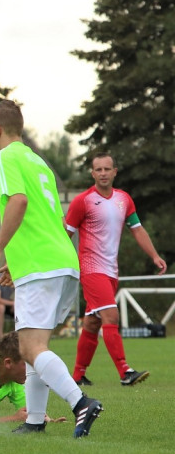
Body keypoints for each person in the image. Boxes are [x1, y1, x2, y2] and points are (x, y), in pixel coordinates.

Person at [0, 99, 101, 437]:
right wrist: (13, 259)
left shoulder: (3, 157)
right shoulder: (38, 161)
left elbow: (18, 201)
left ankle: (81, 403)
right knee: (33, 346)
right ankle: (35, 421)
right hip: (61, 260)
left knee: (30, 347)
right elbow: (48, 220)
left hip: (41, 265)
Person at [65, 151, 167, 387]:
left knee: (92, 322)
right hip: (91, 269)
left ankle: (78, 376)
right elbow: (65, 235)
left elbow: (137, 229)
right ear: (92, 173)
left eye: (106, 169)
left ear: (114, 172)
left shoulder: (124, 199)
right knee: (111, 315)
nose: (103, 173)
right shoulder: (83, 201)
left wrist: (154, 255)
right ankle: (125, 371)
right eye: (98, 169)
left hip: (111, 270)